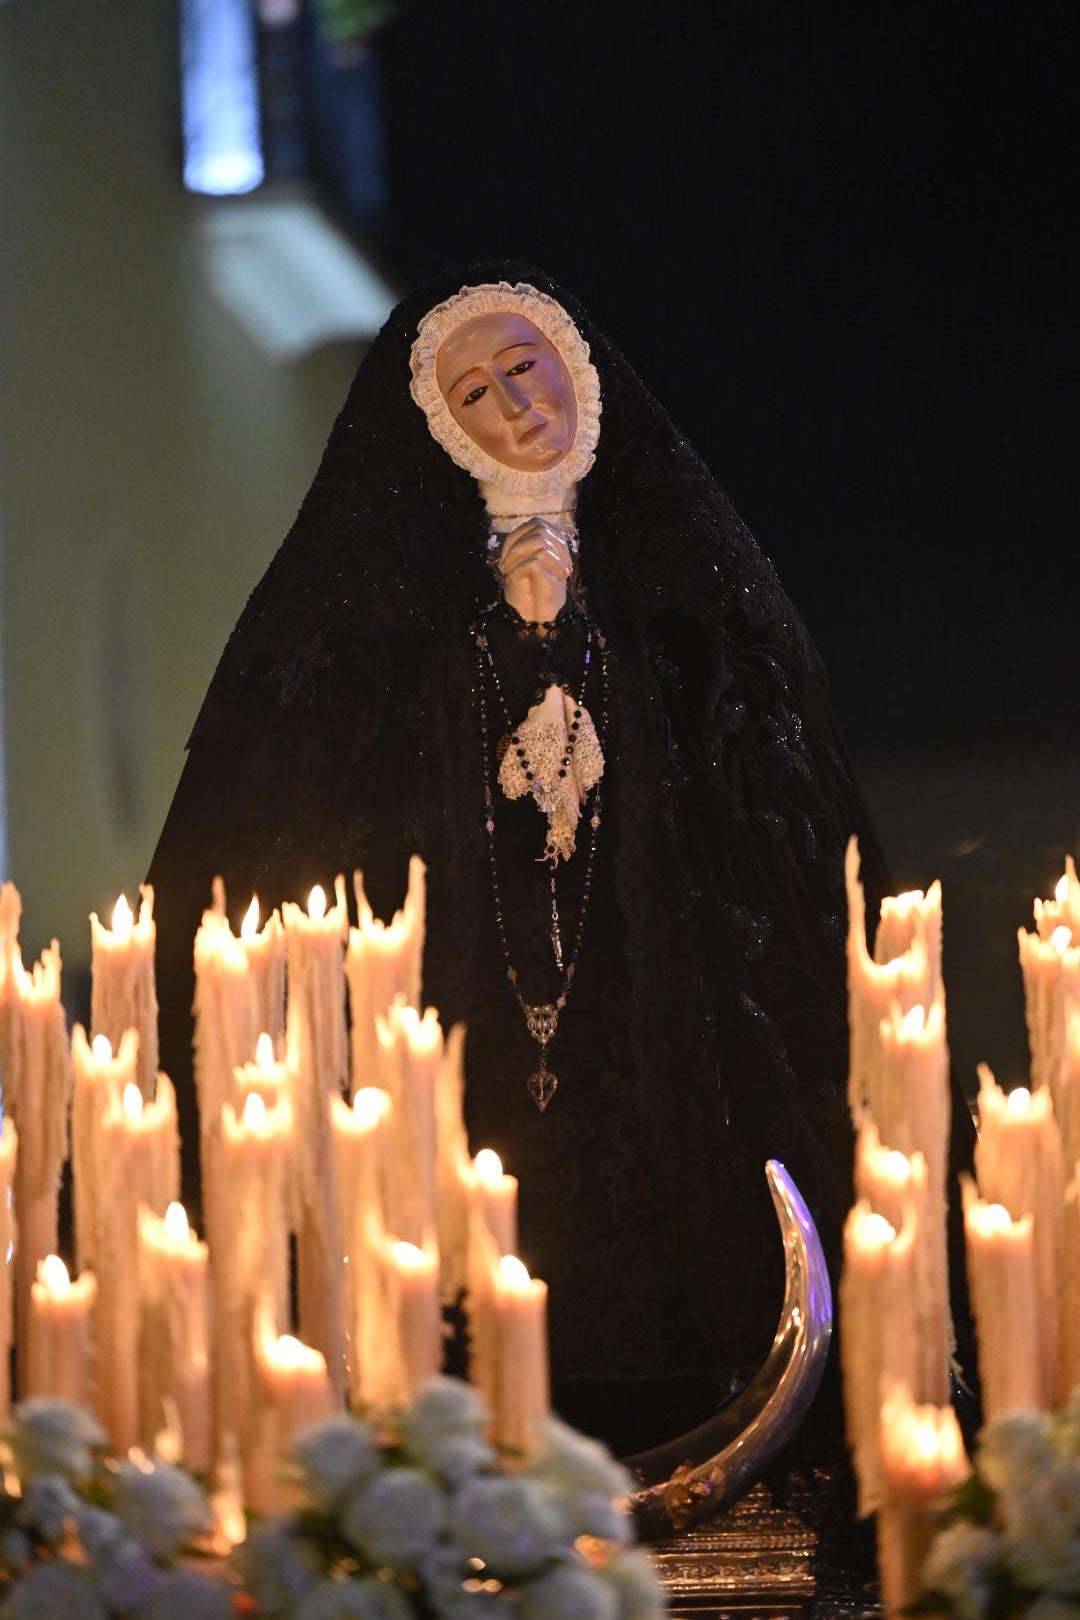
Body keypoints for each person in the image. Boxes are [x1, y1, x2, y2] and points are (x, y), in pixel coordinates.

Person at [149, 262, 894, 1459]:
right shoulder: (387, 623)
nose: (514, 404)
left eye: (523, 365)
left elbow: (783, 818)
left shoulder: (691, 599)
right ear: (445, 429)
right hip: (461, 1022)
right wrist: (490, 641)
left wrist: (594, 640)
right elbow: (296, 805)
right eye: (477, 391)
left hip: (674, 1008)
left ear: (576, 366)